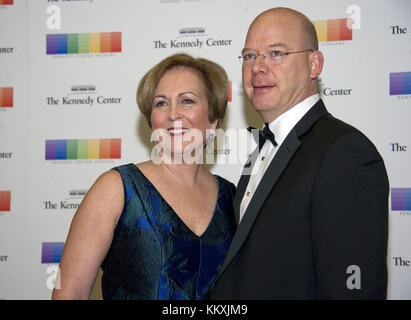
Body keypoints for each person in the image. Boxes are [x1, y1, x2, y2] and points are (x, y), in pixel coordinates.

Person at [211, 7, 389, 299]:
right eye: (249, 56)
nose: (257, 67)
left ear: (314, 64)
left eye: (276, 53)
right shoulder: (258, 152)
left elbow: (354, 289)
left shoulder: (344, 152)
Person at [52, 53, 235, 300]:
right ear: (151, 120)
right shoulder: (118, 188)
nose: (173, 114)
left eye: (187, 101)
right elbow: (70, 294)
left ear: (213, 121)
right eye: (161, 103)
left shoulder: (230, 196)